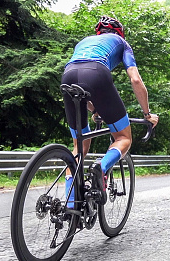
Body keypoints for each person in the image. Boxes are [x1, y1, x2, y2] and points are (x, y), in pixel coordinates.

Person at [61, 16, 158, 207]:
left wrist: (96, 109)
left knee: (79, 147)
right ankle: (101, 167)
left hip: (68, 75)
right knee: (123, 138)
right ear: (119, 32)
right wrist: (147, 114)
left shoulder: (83, 42)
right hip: (97, 74)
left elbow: (82, 85)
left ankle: (70, 206)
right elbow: (136, 80)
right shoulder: (122, 43)